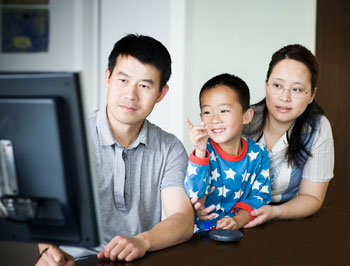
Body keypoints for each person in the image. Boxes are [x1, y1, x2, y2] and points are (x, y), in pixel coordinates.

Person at [36, 34, 194, 265]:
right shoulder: (68, 135)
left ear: (161, 93)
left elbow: (182, 219)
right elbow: (44, 213)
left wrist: (143, 241)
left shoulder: (170, 148)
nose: (131, 95)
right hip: (73, 261)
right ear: (108, 78)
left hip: (135, 258)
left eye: (144, 85)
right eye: (123, 80)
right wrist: (49, 253)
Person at [192, 44, 334, 228]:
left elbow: (312, 197)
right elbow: (204, 176)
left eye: (297, 89)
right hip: (228, 221)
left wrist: (274, 212)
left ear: (312, 94)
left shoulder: (317, 129)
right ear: (266, 84)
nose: (285, 97)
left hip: (284, 222)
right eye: (277, 85)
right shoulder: (239, 119)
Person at [184, 73, 271, 232]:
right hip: (201, 234)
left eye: (223, 110)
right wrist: (200, 151)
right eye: (207, 112)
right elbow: (193, 193)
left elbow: (260, 196)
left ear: (246, 116)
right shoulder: (203, 153)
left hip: (243, 231)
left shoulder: (259, 154)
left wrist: (238, 220)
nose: (215, 119)